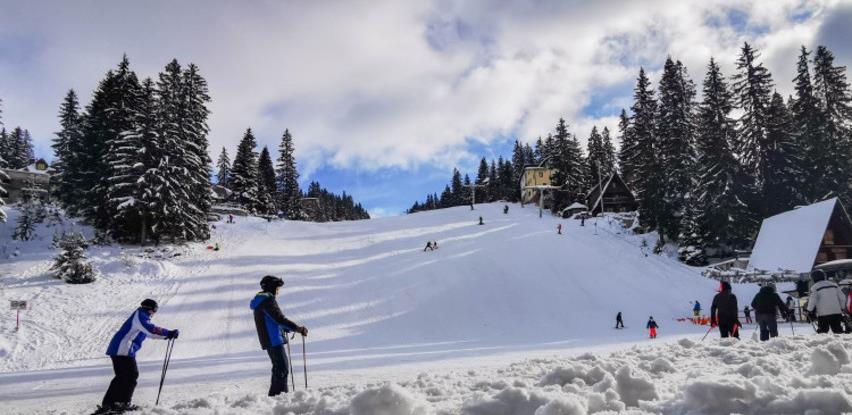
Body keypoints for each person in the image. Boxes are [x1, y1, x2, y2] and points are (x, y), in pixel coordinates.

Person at [96, 299, 178, 414]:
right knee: (131, 375)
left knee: (121, 377)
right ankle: (122, 403)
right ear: (149, 309)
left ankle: (109, 404)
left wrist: (167, 336)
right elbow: (150, 329)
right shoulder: (140, 316)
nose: (154, 313)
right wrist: (168, 333)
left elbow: (149, 333)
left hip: (120, 348)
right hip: (123, 348)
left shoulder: (141, 318)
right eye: (155, 310)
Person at [251, 276, 308, 396]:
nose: (278, 291)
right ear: (272, 288)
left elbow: (272, 320)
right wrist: (298, 328)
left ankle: (276, 397)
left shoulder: (262, 301)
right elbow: (279, 319)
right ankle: (279, 398)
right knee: (282, 369)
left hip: (270, 339)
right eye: (277, 288)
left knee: (279, 368)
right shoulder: (268, 300)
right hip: (273, 340)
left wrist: (285, 328)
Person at [806, 269, 847, 334]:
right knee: (838, 331)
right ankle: (841, 343)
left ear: (814, 278)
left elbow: (812, 300)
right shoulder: (834, 285)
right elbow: (842, 298)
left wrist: (809, 310)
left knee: (823, 332)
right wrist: (842, 308)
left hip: (823, 314)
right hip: (836, 312)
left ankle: (823, 343)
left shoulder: (815, 287)